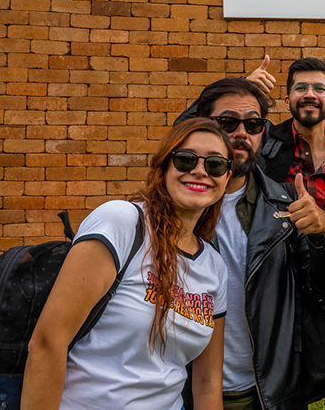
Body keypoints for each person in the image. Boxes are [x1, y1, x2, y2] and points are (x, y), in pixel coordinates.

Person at [22, 118, 233, 410]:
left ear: (227, 177)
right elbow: (47, 343)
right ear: (164, 166)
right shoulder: (122, 222)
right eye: (185, 159)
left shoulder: (214, 267)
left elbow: (207, 383)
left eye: (215, 164)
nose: (200, 170)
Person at [191, 77, 325, 410]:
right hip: (185, 387)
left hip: (268, 391)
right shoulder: (181, 204)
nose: (241, 133)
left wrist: (322, 235)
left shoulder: (285, 206)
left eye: (253, 125)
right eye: (227, 122)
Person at [260, 57, 325, 213]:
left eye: (319, 89)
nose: (309, 95)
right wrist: (244, 87)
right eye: (300, 88)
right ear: (287, 101)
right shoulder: (263, 143)